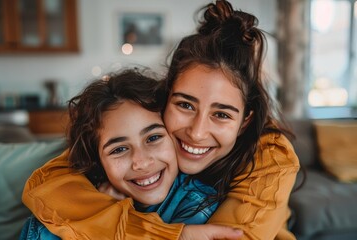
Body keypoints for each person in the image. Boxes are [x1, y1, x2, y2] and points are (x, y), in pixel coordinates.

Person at [22, 0, 300, 239]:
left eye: (221, 114)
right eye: (185, 105)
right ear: (164, 99)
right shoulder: (142, 124)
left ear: (245, 122)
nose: (197, 132)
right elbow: (47, 184)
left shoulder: (271, 155)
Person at [19, 69, 243, 240]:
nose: (142, 162)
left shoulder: (199, 205)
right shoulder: (58, 214)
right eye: (119, 149)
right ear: (98, 160)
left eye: (153, 138)